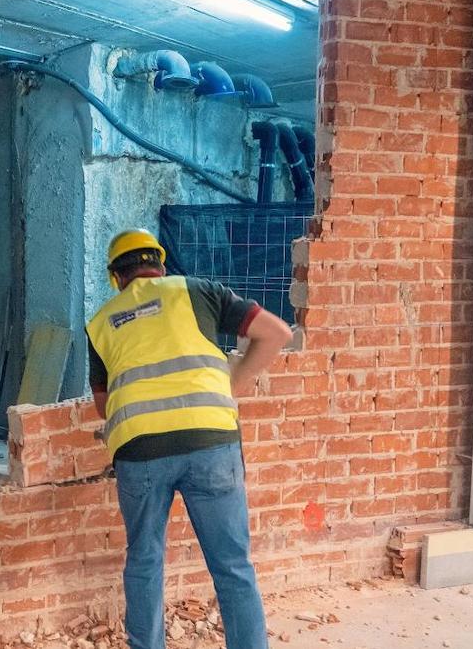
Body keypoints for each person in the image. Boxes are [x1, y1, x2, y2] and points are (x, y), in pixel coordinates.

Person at [85, 229, 293, 649]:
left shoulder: (101, 322)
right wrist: (235, 382)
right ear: (160, 265)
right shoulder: (198, 291)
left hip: (140, 450)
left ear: (116, 277)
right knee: (233, 566)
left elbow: (103, 407)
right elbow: (276, 333)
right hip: (211, 441)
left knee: (144, 562)